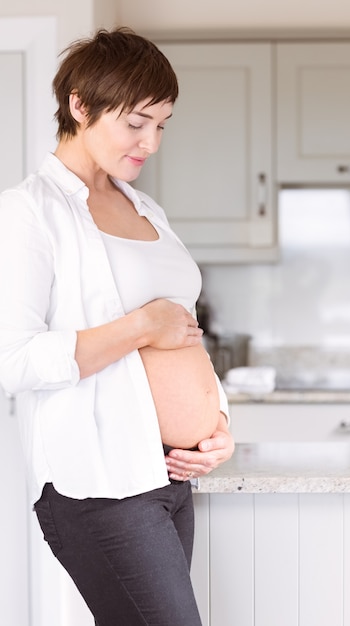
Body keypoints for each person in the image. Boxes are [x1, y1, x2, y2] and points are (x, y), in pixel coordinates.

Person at [0, 27, 234, 626]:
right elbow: (13, 360)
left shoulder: (145, 208)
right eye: (136, 123)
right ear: (80, 104)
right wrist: (139, 326)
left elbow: (181, 332)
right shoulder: (29, 212)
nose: (151, 142)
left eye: (163, 124)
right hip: (100, 481)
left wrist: (217, 425)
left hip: (168, 476)